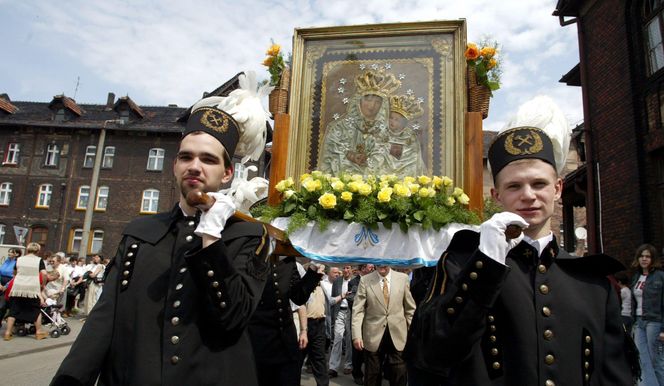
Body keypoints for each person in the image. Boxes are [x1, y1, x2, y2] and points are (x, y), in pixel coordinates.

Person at [51, 77, 271, 386]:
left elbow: (232, 318)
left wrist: (211, 237)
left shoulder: (248, 236)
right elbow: (104, 319)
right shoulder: (140, 231)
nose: (195, 166)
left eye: (208, 159)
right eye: (186, 156)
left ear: (227, 173)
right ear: (175, 165)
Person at [406, 96, 635, 385]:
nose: (528, 195)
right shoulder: (461, 263)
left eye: (539, 184)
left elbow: (613, 377)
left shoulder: (593, 283)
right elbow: (433, 355)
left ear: (558, 189)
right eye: (514, 186)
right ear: (496, 196)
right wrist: (484, 265)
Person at [247, 256, 323, 386]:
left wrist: (313, 268)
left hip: (286, 341)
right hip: (259, 341)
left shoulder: (288, 259)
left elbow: (298, 297)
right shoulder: (252, 253)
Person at [320, 70, 400, 175]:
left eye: (377, 102)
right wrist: (349, 155)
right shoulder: (339, 128)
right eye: (368, 100)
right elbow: (329, 158)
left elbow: (393, 162)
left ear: (382, 106)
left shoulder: (389, 132)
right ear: (358, 101)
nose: (371, 106)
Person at [352, 264, 416, 386]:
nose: (382, 265)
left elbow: (409, 309)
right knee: (372, 376)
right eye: (378, 262)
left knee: (399, 374)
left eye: (384, 262)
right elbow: (358, 310)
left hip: (398, 335)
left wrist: (411, 333)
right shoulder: (365, 280)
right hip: (372, 335)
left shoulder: (403, 278)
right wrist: (356, 335)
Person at [631, 243, 664, 386]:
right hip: (639, 322)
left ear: (653, 259)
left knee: (655, 359)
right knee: (641, 358)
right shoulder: (636, 277)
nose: (644, 259)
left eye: (648, 256)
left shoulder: (660, 276)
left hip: (654, 322)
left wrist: (663, 329)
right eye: (641, 256)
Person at [3, 242, 48, 341]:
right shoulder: (39, 260)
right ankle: (39, 332)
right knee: (36, 310)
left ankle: (7, 332)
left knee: (13, 310)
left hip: (18, 288)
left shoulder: (19, 259)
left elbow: (14, 272)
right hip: (32, 288)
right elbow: (44, 274)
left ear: (27, 250)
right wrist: (43, 285)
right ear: (38, 251)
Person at [375, 94, 426, 177]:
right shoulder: (383, 132)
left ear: (403, 123)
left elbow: (413, 154)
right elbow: (377, 148)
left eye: (396, 120)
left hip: (405, 167)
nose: (392, 121)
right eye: (391, 118)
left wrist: (391, 148)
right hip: (384, 169)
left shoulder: (409, 135)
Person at [347, 263, 374, 385]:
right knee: (358, 349)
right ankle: (357, 373)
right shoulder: (354, 282)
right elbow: (351, 299)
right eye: (370, 267)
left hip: (372, 320)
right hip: (359, 320)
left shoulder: (374, 281)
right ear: (363, 269)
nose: (373, 269)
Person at [328, 264, 354, 377]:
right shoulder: (337, 281)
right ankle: (333, 367)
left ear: (352, 270)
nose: (346, 270)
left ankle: (348, 365)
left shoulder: (356, 281)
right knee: (337, 338)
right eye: (344, 268)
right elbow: (333, 299)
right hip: (339, 312)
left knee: (349, 340)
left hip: (350, 312)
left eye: (348, 268)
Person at [0, 248, 21, 321]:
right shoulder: (6, 261)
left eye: (11, 252)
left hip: (9, 284)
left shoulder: (17, 263)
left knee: (2, 304)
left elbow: (15, 276)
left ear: (17, 254)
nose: (9, 254)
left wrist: (6, 286)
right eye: (9, 252)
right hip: (1, 282)